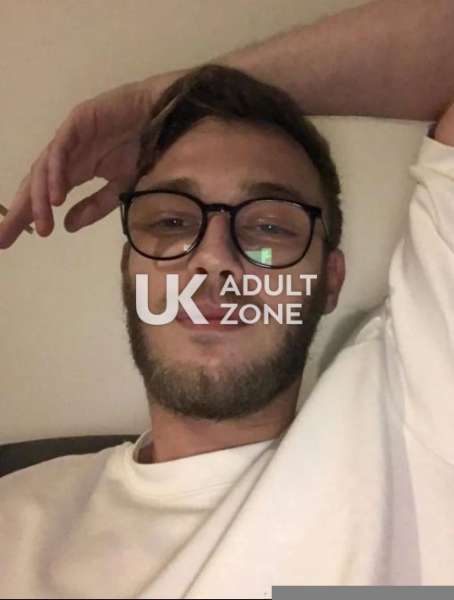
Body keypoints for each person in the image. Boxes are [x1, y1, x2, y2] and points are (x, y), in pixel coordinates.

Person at [0, 0, 454, 597]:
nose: (213, 257)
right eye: (171, 222)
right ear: (130, 271)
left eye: (269, 226)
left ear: (329, 281)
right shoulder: (15, 520)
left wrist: (164, 98)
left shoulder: (415, 426)